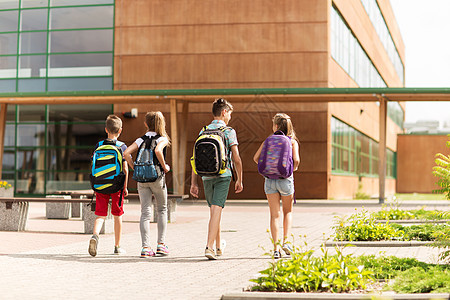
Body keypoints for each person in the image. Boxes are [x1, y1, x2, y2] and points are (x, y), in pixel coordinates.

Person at [190, 98, 243, 260]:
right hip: (223, 175)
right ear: (224, 112)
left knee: (214, 211)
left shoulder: (203, 131)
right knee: (216, 210)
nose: (229, 118)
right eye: (229, 114)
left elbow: (194, 157)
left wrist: (194, 182)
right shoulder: (228, 131)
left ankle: (219, 246)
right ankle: (209, 247)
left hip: (206, 176)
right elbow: (236, 157)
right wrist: (239, 178)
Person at [123, 111, 171, 257]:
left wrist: (134, 167)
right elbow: (157, 150)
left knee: (145, 213)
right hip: (157, 177)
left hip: (142, 179)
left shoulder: (140, 140)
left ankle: (145, 248)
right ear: (161, 123)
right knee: (162, 209)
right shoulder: (162, 139)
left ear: (145, 124)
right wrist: (164, 166)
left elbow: (126, 153)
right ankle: (161, 245)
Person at [253, 113, 300, 259]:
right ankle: (286, 242)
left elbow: (256, 158)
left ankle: (275, 249)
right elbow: (296, 160)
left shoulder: (268, 140)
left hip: (269, 180)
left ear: (276, 126)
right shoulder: (292, 142)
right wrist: (292, 169)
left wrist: (269, 167)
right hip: (286, 180)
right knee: (288, 212)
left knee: (274, 215)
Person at [89, 115, 129, 257]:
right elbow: (125, 169)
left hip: (100, 184)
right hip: (116, 185)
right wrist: (125, 186)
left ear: (106, 129)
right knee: (117, 215)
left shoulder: (99, 145)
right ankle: (117, 246)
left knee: (100, 215)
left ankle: (95, 236)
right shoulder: (121, 146)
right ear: (120, 130)